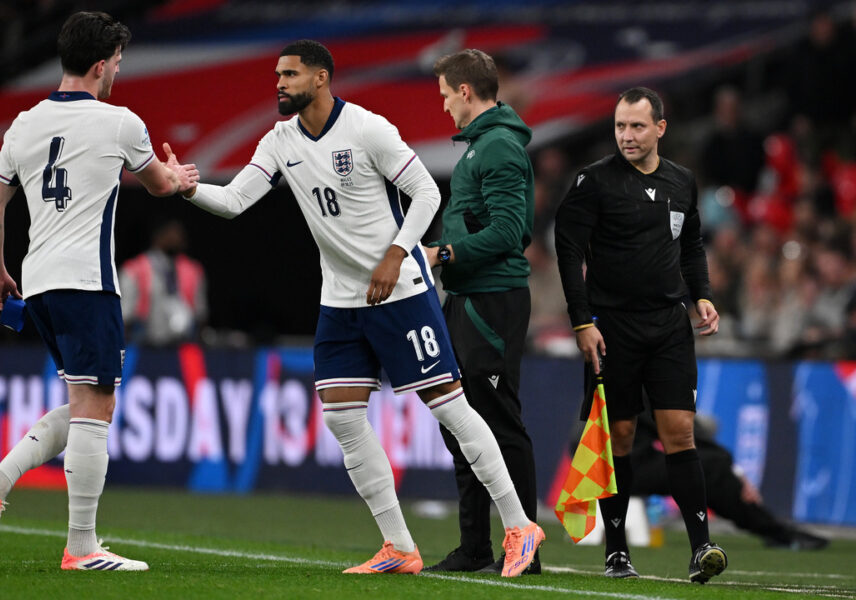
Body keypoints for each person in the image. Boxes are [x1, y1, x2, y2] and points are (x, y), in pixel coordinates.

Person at [182, 39, 544, 577]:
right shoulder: (279, 140)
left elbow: (426, 193)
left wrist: (397, 255)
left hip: (400, 293)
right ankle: (399, 545)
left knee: (450, 408)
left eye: (290, 74)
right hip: (340, 301)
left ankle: (519, 526)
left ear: (321, 78)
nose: (279, 83)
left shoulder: (368, 128)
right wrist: (185, 189)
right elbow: (235, 201)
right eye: (277, 75)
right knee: (344, 419)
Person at [0, 11, 195, 571]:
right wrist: (181, 178)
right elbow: (162, 185)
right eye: (116, 61)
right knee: (97, 407)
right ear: (100, 64)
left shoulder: (23, 123)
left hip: (39, 283)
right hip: (88, 283)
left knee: (85, 402)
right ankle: (82, 547)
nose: (118, 69)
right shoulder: (121, 122)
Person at [554, 87, 727, 584]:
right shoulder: (594, 182)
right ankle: (616, 550)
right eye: (619, 127)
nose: (627, 136)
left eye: (636, 126)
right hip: (613, 328)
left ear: (660, 129)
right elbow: (568, 251)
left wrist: (703, 295)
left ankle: (701, 548)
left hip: (670, 325)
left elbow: (691, 244)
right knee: (621, 437)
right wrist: (582, 321)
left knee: (680, 432)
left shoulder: (682, 181)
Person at [422, 49, 539, 575]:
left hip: (493, 300)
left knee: (498, 421)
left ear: (465, 91)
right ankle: (475, 546)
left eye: (446, 94)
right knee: (460, 422)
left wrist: (443, 253)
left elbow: (510, 233)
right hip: (468, 298)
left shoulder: (497, 148)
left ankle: (524, 544)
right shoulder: (480, 146)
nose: (444, 105)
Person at [630, 411, 828, 551]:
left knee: (704, 465)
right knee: (710, 466)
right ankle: (774, 530)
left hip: (627, 463)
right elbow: (679, 428)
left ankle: (773, 529)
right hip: (623, 467)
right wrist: (734, 468)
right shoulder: (640, 376)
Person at [119, 219, 208, 346]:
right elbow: (125, 315)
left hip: (184, 346)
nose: (178, 238)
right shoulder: (134, 270)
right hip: (143, 345)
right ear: (158, 236)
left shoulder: (193, 269)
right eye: (172, 234)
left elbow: (200, 312)